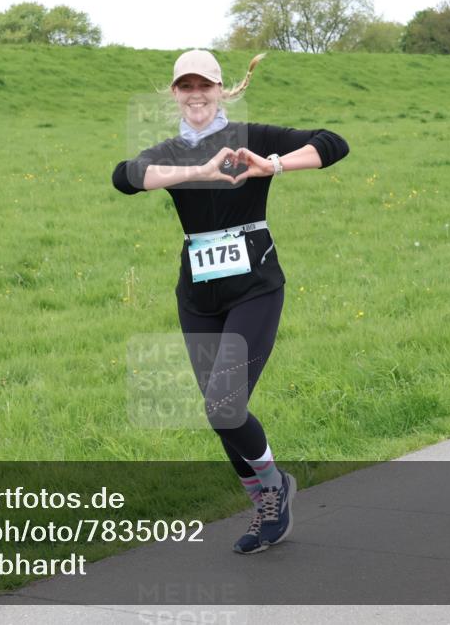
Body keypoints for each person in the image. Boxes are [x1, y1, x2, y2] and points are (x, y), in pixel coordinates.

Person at [111, 49, 350, 554]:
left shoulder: (251, 137)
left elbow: (333, 143)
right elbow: (126, 176)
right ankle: (264, 502)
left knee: (224, 406)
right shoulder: (171, 151)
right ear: (174, 93)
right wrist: (197, 169)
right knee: (219, 413)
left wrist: (272, 165)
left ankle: (276, 486)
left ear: (221, 90)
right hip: (198, 298)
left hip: (254, 288)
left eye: (205, 85)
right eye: (186, 86)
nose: (196, 94)